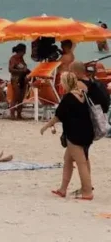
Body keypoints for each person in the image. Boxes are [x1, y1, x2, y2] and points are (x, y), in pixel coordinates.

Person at [41, 72, 94, 200]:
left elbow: (58, 116)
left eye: (62, 81)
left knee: (81, 162)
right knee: (68, 160)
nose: (60, 84)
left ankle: (87, 192)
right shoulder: (83, 95)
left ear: (66, 83)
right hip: (87, 132)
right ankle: (62, 189)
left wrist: (46, 126)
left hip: (75, 134)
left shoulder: (68, 97)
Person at [8, 43, 30, 120]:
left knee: (21, 98)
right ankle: (12, 114)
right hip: (15, 79)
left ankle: (19, 114)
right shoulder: (13, 59)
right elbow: (10, 69)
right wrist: (21, 71)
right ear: (21, 51)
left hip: (22, 80)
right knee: (15, 97)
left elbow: (24, 68)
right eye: (24, 51)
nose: (25, 53)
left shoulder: (21, 59)